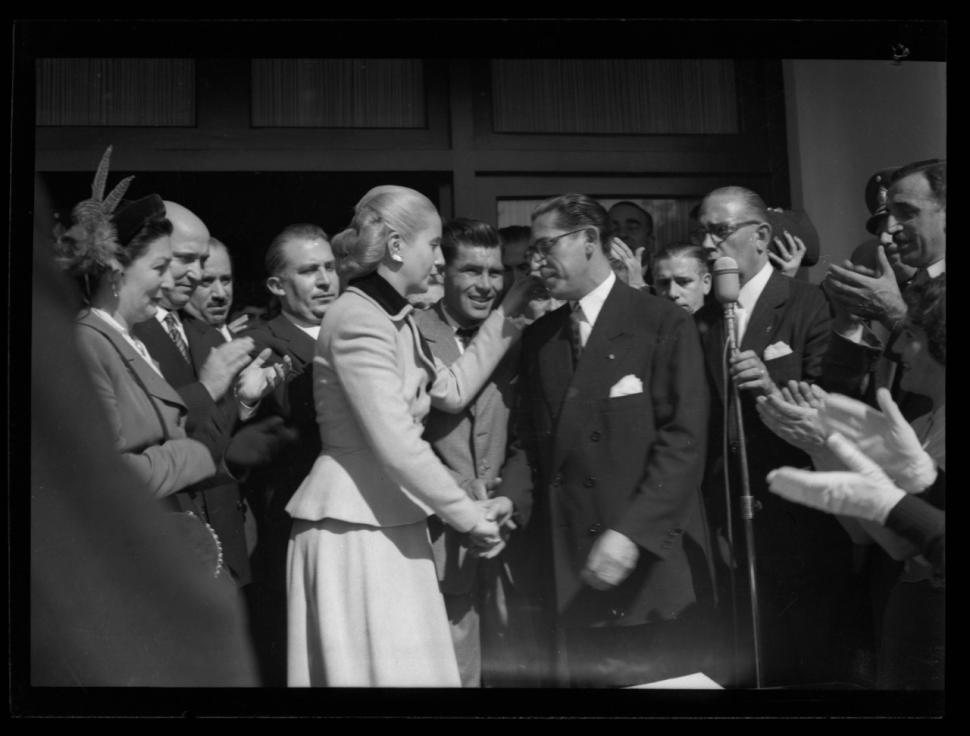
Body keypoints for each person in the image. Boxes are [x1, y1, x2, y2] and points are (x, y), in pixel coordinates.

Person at [285, 185, 534, 687]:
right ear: (398, 246)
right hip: (353, 528)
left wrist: (511, 307)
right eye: (435, 244)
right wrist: (468, 517)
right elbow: (395, 440)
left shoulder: (393, 317)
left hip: (389, 522)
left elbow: (453, 388)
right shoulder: (358, 317)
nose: (441, 260)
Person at [33, 176, 258, 686]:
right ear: (115, 271)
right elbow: (114, 474)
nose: (168, 283)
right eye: (159, 267)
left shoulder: (128, 339)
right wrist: (198, 454)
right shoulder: (90, 341)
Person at [512, 193, 715, 688]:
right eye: (533, 250)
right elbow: (530, 448)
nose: (536, 261)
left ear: (588, 241)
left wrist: (631, 534)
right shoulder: (541, 339)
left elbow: (684, 442)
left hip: (648, 566)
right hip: (575, 571)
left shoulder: (663, 321)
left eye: (546, 246)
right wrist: (506, 501)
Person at [693, 185, 852, 688]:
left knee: (806, 664)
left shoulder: (808, 304)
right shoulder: (701, 320)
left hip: (798, 519)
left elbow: (836, 404)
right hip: (728, 526)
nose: (709, 243)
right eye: (702, 233)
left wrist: (771, 387)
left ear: (761, 236)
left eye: (720, 230)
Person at [132, 200, 287, 587]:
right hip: (163, 543)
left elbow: (217, 433)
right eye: (189, 260)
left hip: (223, 537)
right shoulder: (122, 332)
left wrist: (245, 403)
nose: (202, 277)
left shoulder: (200, 333)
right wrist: (208, 389)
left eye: (208, 265)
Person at [413, 217, 534, 687]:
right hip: (438, 541)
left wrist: (508, 496)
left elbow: (531, 436)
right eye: (471, 271)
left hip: (510, 533)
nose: (486, 285)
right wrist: (461, 490)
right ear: (443, 272)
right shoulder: (411, 335)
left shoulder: (523, 336)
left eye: (496, 272)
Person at [239, 223, 340, 685]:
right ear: (277, 286)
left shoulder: (353, 330)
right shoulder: (260, 345)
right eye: (308, 271)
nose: (325, 280)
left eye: (330, 267)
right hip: (292, 524)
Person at [186, 236, 248, 340]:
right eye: (206, 281)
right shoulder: (178, 344)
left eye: (226, 280)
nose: (220, 294)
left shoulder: (247, 343)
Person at [651, 243, 712, 315]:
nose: (672, 293)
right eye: (664, 283)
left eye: (684, 282)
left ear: (706, 283)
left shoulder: (726, 325)